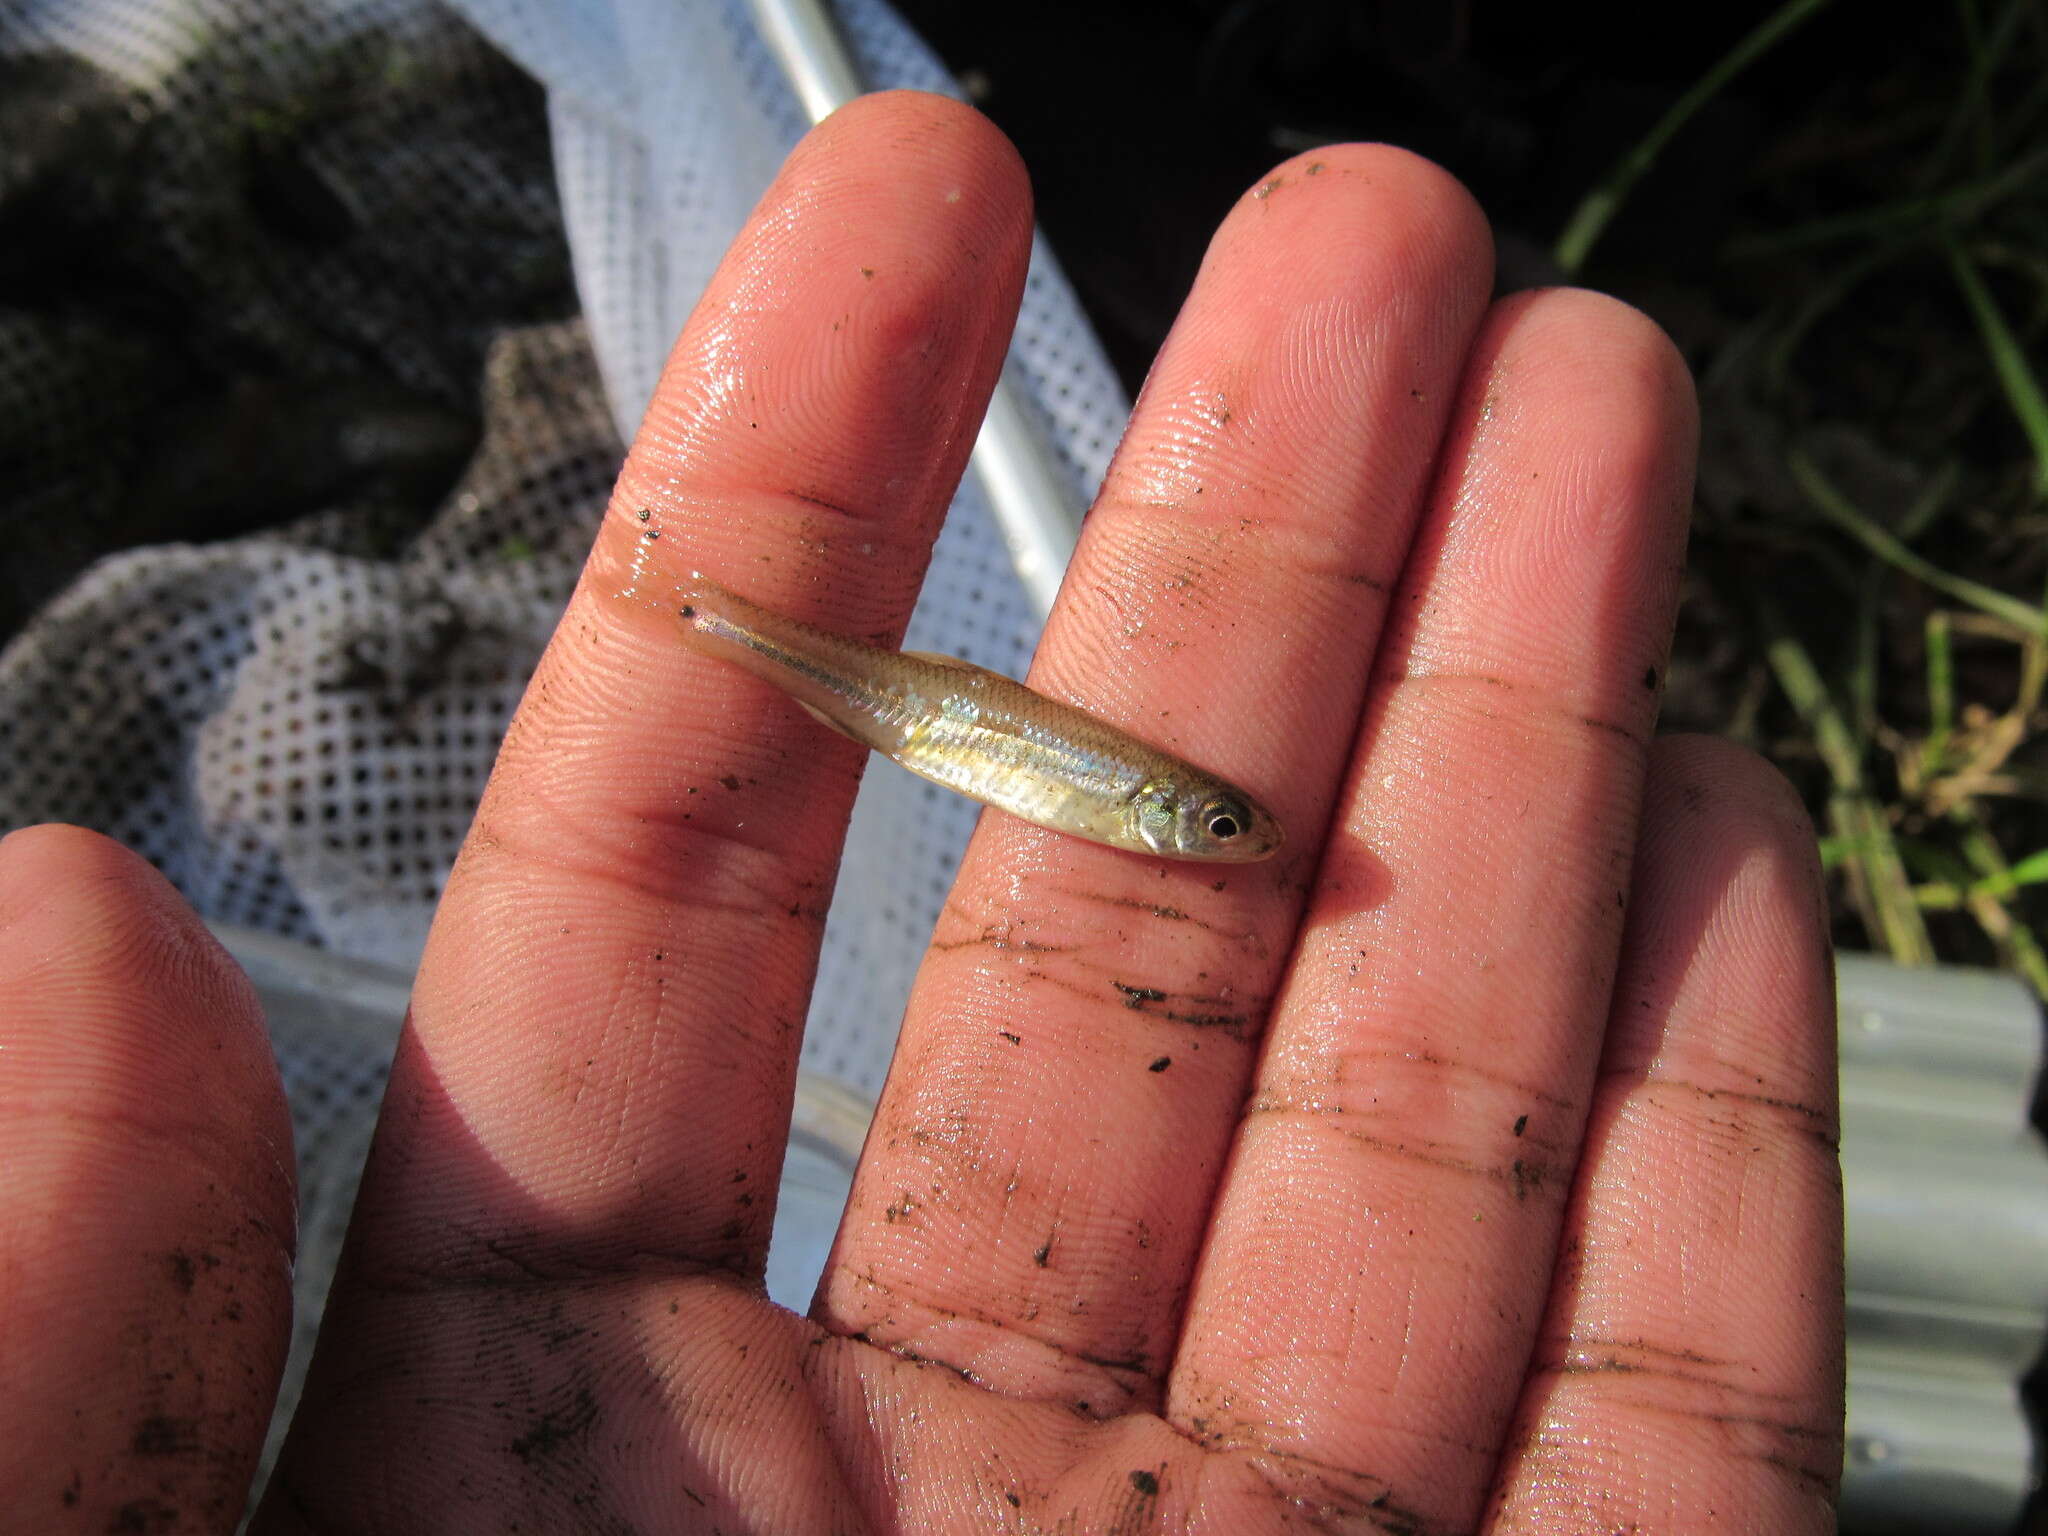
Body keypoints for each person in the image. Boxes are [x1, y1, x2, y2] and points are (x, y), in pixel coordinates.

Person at [0, 91, 1840, 1533]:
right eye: (1206, 828)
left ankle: (696, 604)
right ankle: (695, 601)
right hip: (885, 697)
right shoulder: (1128, 791)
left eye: (1205, 832)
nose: (1220, 841)